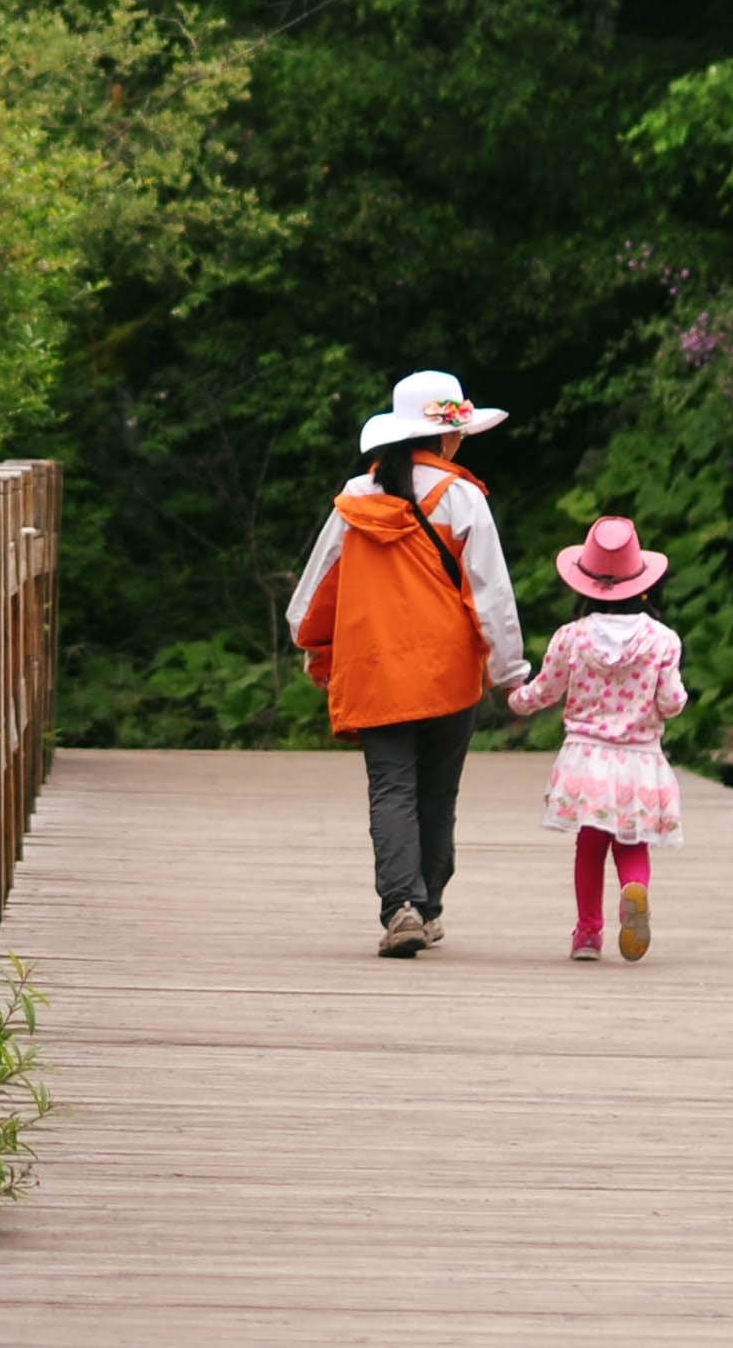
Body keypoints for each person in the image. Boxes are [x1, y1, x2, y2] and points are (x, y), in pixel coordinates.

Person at [288, 370, 529, 957]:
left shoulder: (354, 500)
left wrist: (316, 645)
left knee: (391, 789)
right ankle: (427, 906)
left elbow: (312, 596)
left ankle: (400, 907)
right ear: (445, 437)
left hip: (375, 673)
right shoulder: (463, 498)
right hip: (448, 674)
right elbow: (490, 593)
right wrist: (511, 673)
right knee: (437, 794)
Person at [507, 514, 688, 962]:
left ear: (583, 585)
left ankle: (588, 933)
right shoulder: (662, 641)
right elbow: (671, 702)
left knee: (589, 845)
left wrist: (516, 700)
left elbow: (545, 690)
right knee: (633, 841)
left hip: (586, 760)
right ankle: (635, 890)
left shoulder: (572, 637)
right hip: (639, 761)